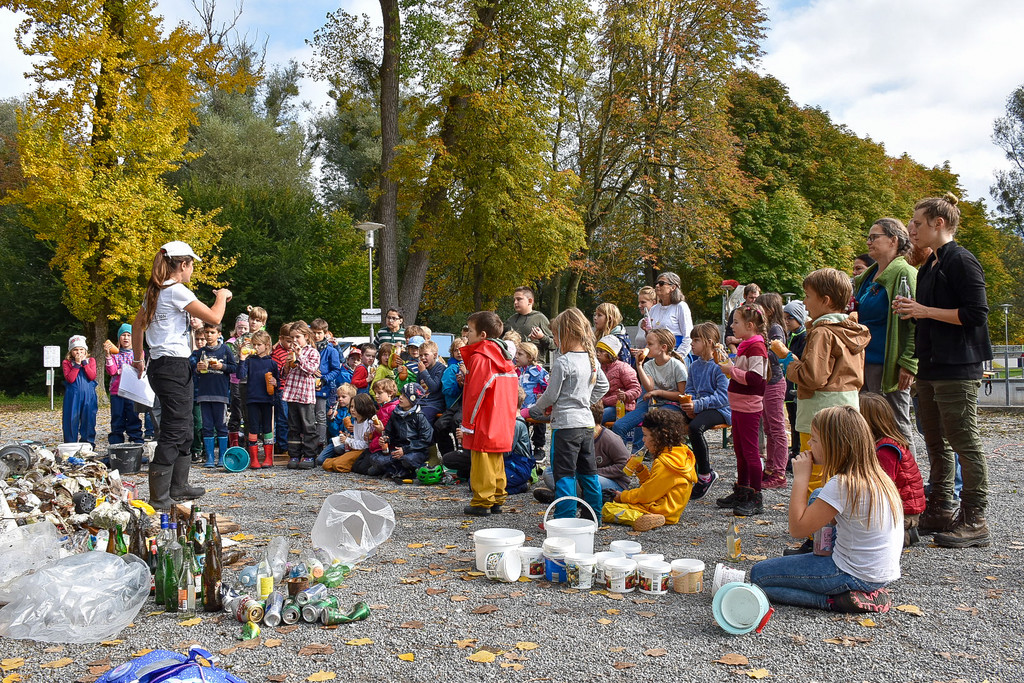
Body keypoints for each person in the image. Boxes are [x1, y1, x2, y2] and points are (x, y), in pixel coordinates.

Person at [896, 193, 992, 547]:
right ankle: (940, 507)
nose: (912, 229)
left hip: (958, 366)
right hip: (931, 366)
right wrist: (913, 312)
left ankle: (975, 518)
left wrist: (923, 311)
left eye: (917, 223)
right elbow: (928, 314)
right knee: (936, 441)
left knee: (964, 440)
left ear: (939, 223)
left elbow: (976, 314)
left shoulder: (962, 260)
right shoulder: (930, 264)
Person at [750, 406, 902, 613]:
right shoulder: (876, 475)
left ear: (833, 445)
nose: (809, 444)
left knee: (759, 577)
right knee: (818, 494)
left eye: (814, 440)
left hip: (853, 574)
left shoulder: (842, 484)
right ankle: (834, 571)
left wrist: (801, 478)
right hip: (879, 572)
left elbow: (797, 529)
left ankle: (834, 600)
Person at [132, 241, 231, 510]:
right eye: (191, 266)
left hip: (165, 365)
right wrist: (222, 295)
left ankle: (178, 486)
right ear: (183, 264)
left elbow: (137, 326)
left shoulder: (156, 291)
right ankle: (159, 497)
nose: (192, 271)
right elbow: (215, 317)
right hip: (172, 366)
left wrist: (139, 359)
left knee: (185, 426)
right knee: (175, 429)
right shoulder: (176, 290)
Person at [775, 268, 869, 493]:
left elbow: (813, 377)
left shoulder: (822, 332)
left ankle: (813, 516)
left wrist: (789, 362)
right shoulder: (852, 330)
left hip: (818, 414)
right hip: (847, 409)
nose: (804, 303)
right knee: (839, 471)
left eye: (808, 296)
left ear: (825, 300)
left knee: (815, 473)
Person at [528, 308, 609, 520]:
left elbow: (551, 395)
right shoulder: (591, 359)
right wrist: (585, 401)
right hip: (586, 424)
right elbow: (603, 386)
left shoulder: (563, 362)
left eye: (555, 335)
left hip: (565, 426)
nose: (554, 340)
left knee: (564, 474)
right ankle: (594, 516)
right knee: (588, 472)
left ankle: (565, 518)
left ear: (566, 333)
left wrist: (535, 409)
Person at [853, 218, 919, 455]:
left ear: (894, 240)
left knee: (896, 425)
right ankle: (877, 474)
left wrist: (909, 362)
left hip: (888, 365)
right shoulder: (869, 277)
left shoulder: (904, 273)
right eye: (868, 237)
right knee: (868, 427)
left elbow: (914, 323)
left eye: (874, 237)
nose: (869, 242)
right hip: (864, 361)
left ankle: (907, 474)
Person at [461, 311, 520, 515]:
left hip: (484, 416)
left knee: (481, 458)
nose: (467, 334)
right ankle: (497, 496)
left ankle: (482, 500)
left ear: (483, 335)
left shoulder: (481, 358)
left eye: (470, 330)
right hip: (501, 416)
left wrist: (468, 422)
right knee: (495, 458)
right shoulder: (504, 358)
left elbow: (475, 394)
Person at [714, 303, 769, 516]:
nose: (732, 326)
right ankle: (743, 490)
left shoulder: (757, 348)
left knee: (750, 452)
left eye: (736, 322)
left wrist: (731, 370)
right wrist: (730, 367)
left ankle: (756, 496)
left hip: (749, 407)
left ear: (750, 325)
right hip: (738, 406)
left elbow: (755, 379)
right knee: (740, 451)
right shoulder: (746, 345)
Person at [601, 409, 696, 532]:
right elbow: (656, 487)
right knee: (623, 501)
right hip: (670, 507)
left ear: (660, 436)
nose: (643, 440)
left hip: (661, 509)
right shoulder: (680, 453)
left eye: (645, 435)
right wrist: (640, 471)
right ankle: (650, 517)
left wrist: (622, 496)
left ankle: (641, 518)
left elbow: (646, 494)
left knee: (607, 509)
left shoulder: (664, 463)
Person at [859, 392, 925, 547]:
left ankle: (904, 534)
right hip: (898, 507)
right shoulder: (881, 443)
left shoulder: (886, 450)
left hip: (904, 512)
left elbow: (882, 488)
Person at [444, 386, 536, 494]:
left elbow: (506, 452)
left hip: (516, 466)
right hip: (505, 463)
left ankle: (522, 486)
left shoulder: (516, 424)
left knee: (482, 486)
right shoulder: (507, 420)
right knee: (474, 483)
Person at [533, 403, 630, 502]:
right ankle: (576, 496)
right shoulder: (578, 436)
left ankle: (566, 496)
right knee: (549, 472)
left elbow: (625, 465)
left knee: (588, 481)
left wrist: (596, 472)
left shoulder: (610, 439)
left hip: (612, 481)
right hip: (584, 475)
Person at [611, 328, 687, 450]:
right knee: (619, 426)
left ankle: (651, 454)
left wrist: (659, 392)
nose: (646, 347)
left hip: (672, 406)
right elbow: (649, 387)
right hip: (651, 404)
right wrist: (639, 365)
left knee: (655, 423)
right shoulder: (648, 365)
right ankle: (622, 458)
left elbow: (681, 395)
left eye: (650, 344)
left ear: (663, 347)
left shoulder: (677, 366)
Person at [681, 322, 730, 500]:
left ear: (709, 342)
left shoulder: (721, 365)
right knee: (670, 422)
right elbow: (690, 389)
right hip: (699, 407)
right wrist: (688, 403)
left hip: (721, 410)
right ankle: (682, 469)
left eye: (696, 340)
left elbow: (723, 397)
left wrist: (697, 405)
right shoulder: (694, 366)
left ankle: (705, 475)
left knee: (695, 428)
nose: (692, 344)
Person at [190, 322, 237, 468]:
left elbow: (234, 367)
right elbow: (193, 370)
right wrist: (198, 369)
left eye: (212, 332)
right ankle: (210, 457)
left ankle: (222, 456)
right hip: (204, 394)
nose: (209, 335)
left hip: (220, 394)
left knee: (221, 425)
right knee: (207, 426)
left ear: (219, 334)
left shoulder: (225, 349)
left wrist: (222, 366)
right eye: (207, 332)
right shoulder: (200, 352)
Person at [756, 293, 789, 489]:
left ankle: (779, 473)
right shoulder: (766, 328)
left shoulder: (775, 328)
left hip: (774, 382)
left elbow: (778, 355)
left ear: (768, 310)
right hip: (766, 382)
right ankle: (769, 468)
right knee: (768, 428)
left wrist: (761, 348)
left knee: (777, 429)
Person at [279, 321, 320, 470]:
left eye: (298, 337)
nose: (294, 340)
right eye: (292, 338)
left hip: (305, 395)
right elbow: (285, 375)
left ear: (306, 337)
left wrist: (299, 356)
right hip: (291, 394)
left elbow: (311, 369)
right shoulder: (290, 353)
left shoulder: (312, 352)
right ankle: (294, 455)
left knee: (308, 426)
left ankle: (309, 455)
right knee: (293, 427)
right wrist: (286, 365)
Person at [237, 329, 278, 469]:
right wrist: (242, 359)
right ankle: (254, 459)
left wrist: (275, 382)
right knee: (253, 428)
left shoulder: (272, 363)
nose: (255, 347)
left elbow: (278, 382)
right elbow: (240, 375)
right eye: (254, 344)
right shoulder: (250, 361)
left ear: (267, 345)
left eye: (258, 345)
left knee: (267, 428)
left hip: (267, 399)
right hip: (252, 399)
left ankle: (268, 458)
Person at [379, 383, 434, 480]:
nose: (400, 397)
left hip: (415, 451)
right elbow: (389, 433)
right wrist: (385, 439)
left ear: (413, 399)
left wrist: (405, 450)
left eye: (405, 396)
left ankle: (410, 471)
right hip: (398, 449)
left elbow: (425, 439)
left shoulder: (419, 416)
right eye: (401, 394)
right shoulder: (395, 413)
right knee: (377, 459)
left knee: (407, 459)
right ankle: (397, 470)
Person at [351, 379, 401, 476]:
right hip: (375, 444)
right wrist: (371, 434)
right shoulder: (382, 407)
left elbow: (391, 432)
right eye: (375, 393)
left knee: (364, 469)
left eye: (379, 393)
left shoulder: (392, 409)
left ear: (390, 393)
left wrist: (381, 431)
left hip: (383, 447)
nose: (376, 396)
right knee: (356, 466)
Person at [105, 323, 144, 445]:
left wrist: (121, 370)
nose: (126, 338)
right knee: (117, 418)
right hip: (117, 391)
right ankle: (116, 444)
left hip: (132, 391)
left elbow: (138, 369)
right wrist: (108, 355)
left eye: (129, 335)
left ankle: (137, 443)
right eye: (123, 335)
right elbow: (111, 371)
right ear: (119, 338)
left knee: (133, 417)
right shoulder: (114, 354)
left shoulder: (139, 353)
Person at [320, 393, 376, 472]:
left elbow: (365, 444)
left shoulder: (368, 423)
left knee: (337, 465)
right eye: (351, 407)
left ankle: (352, 466)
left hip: (362, 451)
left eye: (355, 407)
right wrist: (349, 437)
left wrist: (347, 440)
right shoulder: (356, 420)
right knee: (326, 464)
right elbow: (357, 438)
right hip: (354, 449)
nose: (352, 410)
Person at [782, 300, 808, 463]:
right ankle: (794, 450)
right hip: (789, 383)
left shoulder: (804, 336)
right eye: (784, 318)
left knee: (798, 422)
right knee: (792, 419)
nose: (786, 322)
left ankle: (798, 452)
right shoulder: (791, 335)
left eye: (789, 318)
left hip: (797, 385)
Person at [514, 341, 549, 459]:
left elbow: (549, 386)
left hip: (534, 406)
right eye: (516, 353)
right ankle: (523, 446)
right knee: (519, 422)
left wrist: (542, 396)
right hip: (520, 406)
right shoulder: (517, 371)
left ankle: (539, 446)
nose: (516, 356)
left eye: (520, 354)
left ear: (529, 357)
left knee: (538, 421)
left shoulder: (539, 371)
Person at [595, 335, 641, 424]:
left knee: (597, 417)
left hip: (621, 406)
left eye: (601, 351)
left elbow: (636, 389)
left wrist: (626, 395)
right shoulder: (598, 368)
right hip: (602, 405)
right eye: (597, 351)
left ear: (611, 353)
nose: (597, 354)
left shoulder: (623, 368)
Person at [62, 335, 98, 446]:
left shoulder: (91, 361)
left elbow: (92, 376)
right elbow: (70, 379)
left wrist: (85, 364)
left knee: (89, 420)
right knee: (71, 420)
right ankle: (70, 445)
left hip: (89, 395)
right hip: (73, 396)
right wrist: (77, 365)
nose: (79, 352)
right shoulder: (67, 363)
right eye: (76, 350)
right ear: (71, 351)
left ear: (85, 351)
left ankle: (88, 445)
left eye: (81, 350)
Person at [646, 272, 693, 356]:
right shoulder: (653, 309)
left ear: (673, 287)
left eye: (661, 283)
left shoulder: (681, 306)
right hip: (658, 355)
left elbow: (688, 335)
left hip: (677, 352)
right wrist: (646, 330)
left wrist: (678, 356)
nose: (657, 286)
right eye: (656, 283)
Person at [504, 287, 554, 363]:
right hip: (512, 366)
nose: (515, 302)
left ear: (530, 301)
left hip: (534, 366)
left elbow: (554, 345)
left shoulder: (540, 319)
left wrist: (542, 337)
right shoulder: (511, 320)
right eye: (514, 300)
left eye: (519, 299)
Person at [225, 314, 249, 448]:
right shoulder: (230, 342)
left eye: (245, 328)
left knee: (247, 412)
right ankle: (233, 442)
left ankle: (246, 440)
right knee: (236, 410)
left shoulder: (252, 341)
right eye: (240, 328)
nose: (242, 331)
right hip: (235, 380)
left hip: (249, 380)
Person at [270, 323, 293, 453]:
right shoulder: (278, 353)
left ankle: (289, 443)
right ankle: (282, 444)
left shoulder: (293, 351)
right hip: (282, 389)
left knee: (290, 418)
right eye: (288, 341)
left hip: (293, 389)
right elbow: (276, 373)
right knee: (283, 418)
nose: (291, 344)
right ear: (281, 339)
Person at [725, 283, 761, 353]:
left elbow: (761, 336)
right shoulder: (736, 313)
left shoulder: (761, 314)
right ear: (745, 296)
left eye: (756, 298)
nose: (754, 301)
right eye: (751, 298)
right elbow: (728, 338)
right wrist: (734, 351)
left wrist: (737, 340)